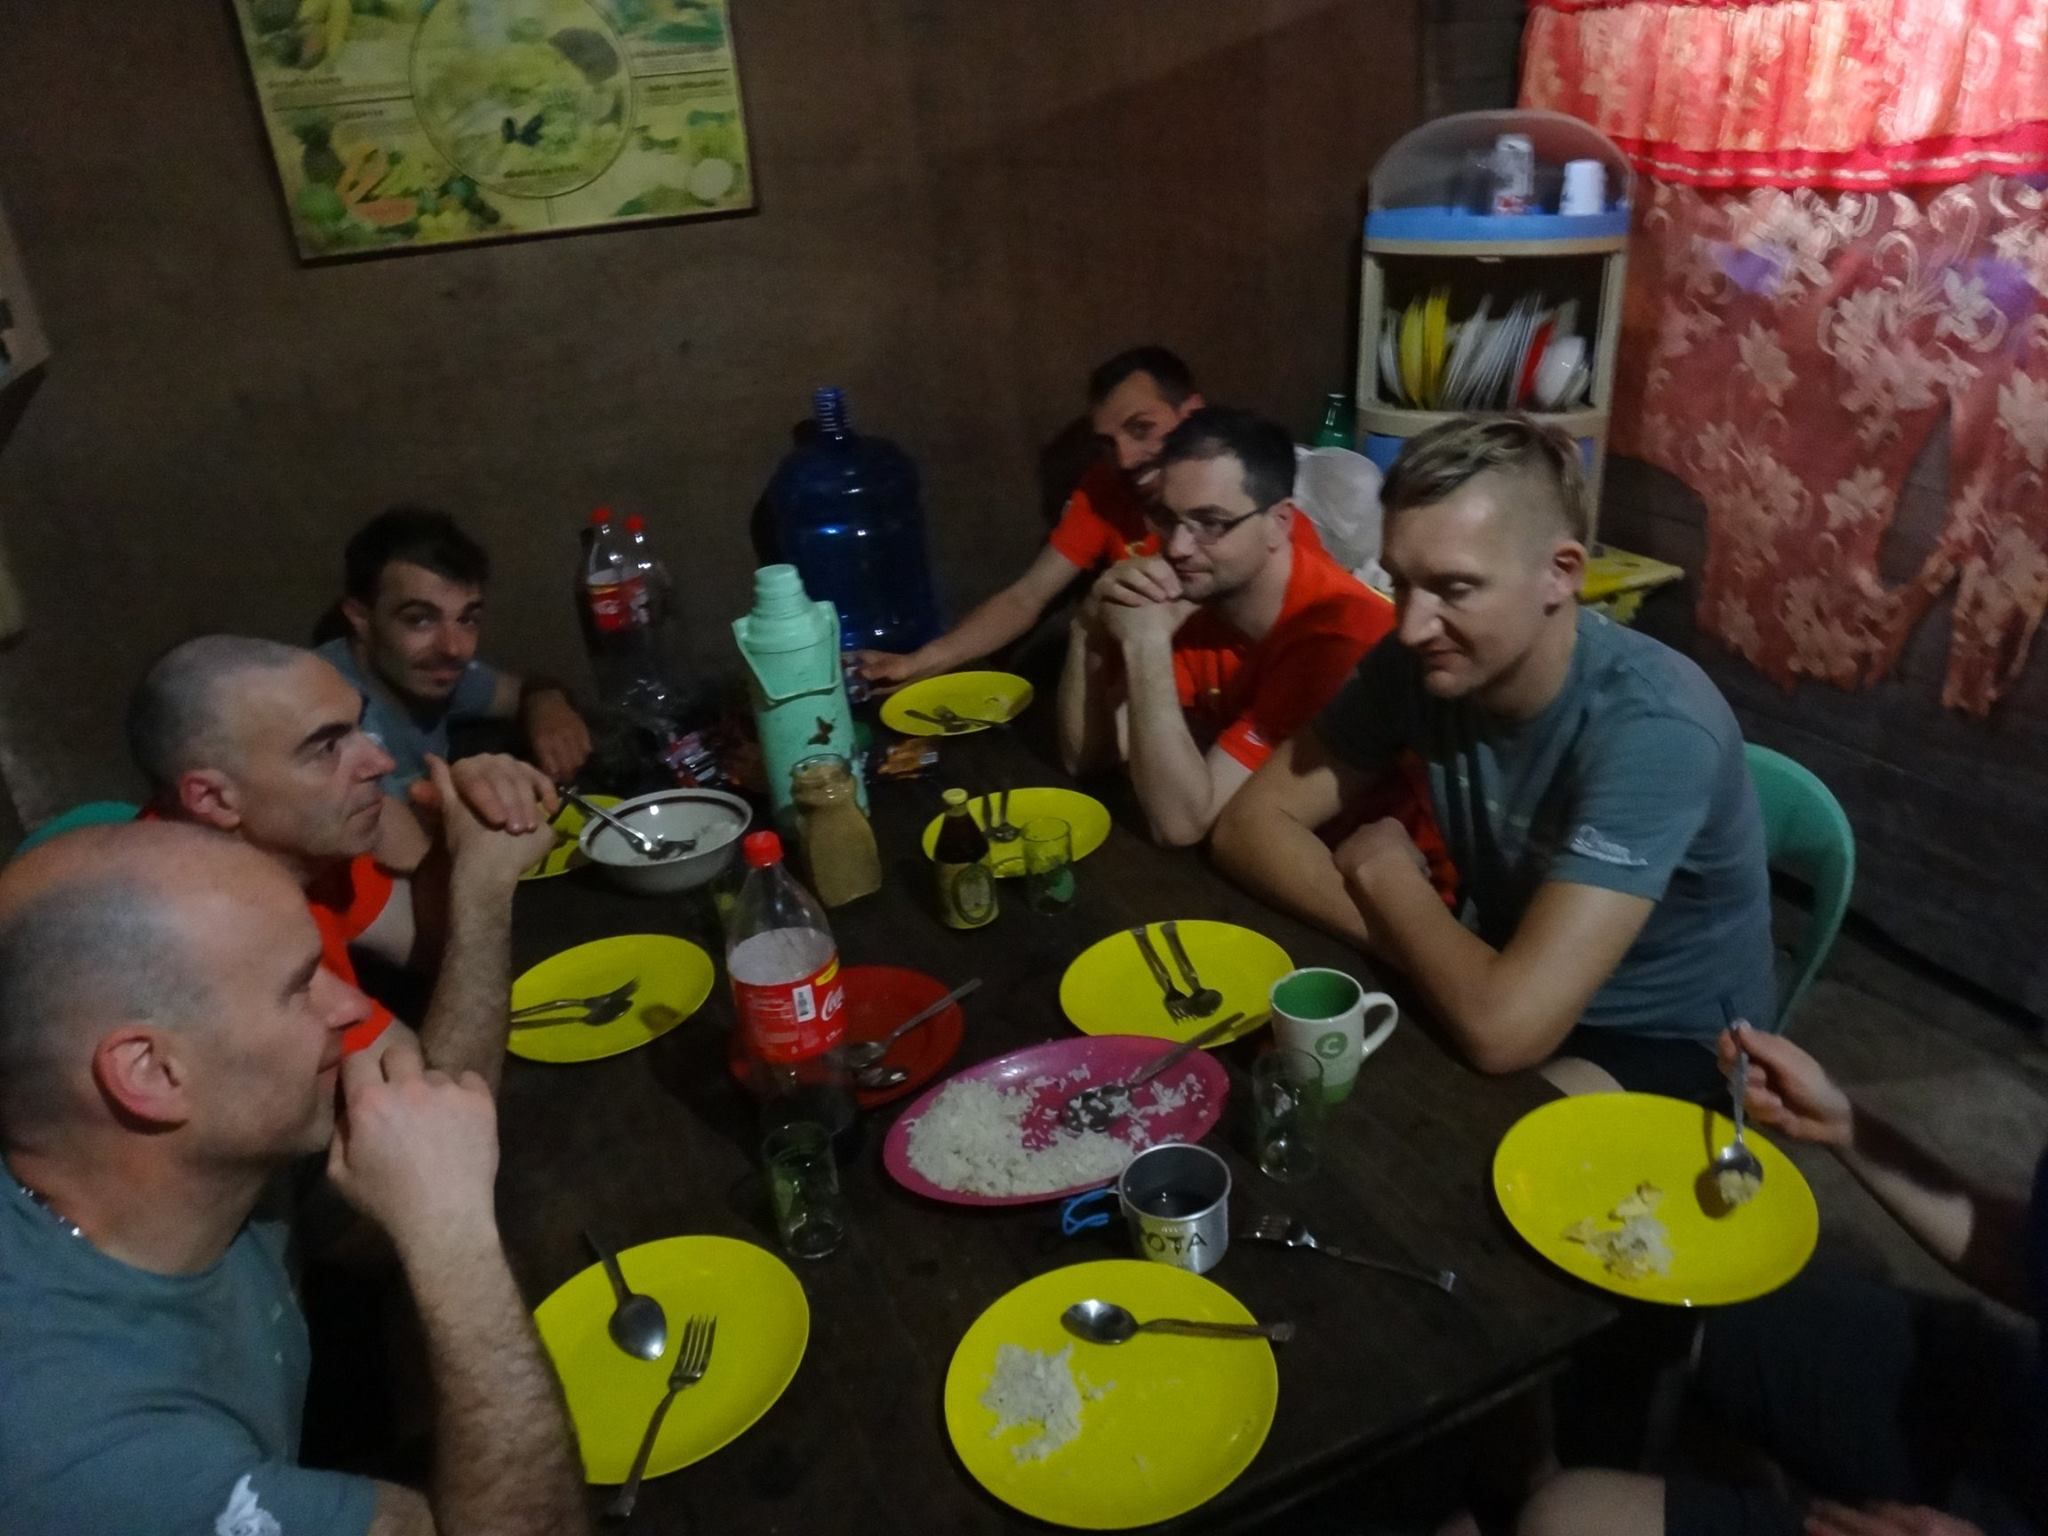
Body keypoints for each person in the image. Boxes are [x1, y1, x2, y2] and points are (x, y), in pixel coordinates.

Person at [0, 820, 590, 1536]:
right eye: (299, 986)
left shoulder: (207, 1156)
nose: (350, 1006)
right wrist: (455, 1241)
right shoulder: (95, 1460)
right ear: (152, 1073)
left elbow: (369, 1226)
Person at [1212, 415, 1773, 1100]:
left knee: (1455, 1134)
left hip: (1672, 1041)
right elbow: (1247, 828)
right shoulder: (1418, 663)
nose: (1411, 626)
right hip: (1502, 973)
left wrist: (1388, 877)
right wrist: (1421, 944)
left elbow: (1504, 1032)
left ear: (1560, 574)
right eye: (1401, 583)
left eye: (1455, 588)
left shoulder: (1655, 728)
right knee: (1307, 1086)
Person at [1518, 1023, 2045, 1536]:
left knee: (1562, 1518)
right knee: (1685, 1293)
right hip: (2014, 1408)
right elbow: (2027, 1257)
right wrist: (1845, 1125)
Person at [127, 635, 557, 1090]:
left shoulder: (286, 843)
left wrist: (459, 839)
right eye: (327, 748)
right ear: (212, 798)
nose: (381, 762)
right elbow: (440, 1109)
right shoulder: (207, 938)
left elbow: (427, 940)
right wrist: (483, 885)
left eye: (359, 726)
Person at [1056, 406, 1414, 849]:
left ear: (1279, 523)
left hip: (1373, 863)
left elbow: (1181, 824)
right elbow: (1088, 758)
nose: (1178, 547)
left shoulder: (1334, 638)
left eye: (1211, 523)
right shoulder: (1200, 584)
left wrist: (1146, 643)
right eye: (1167, 518)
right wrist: (1088, 625)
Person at [851, 346, 1207, 687]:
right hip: (1142, 683)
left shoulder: (1232, 487)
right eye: (1108, 444)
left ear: (1192, 413)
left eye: (1142, 428)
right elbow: (1026, 597)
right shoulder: (1106, 487)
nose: (1125, 459)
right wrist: (915, 663)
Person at [320, 505, 593, 792]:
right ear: (361, 618)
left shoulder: (430, 675)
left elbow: (524, 690)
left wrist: (546, 705)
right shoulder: (325, 713)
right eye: (420, 619)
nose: (453, 648)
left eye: (467, 619)